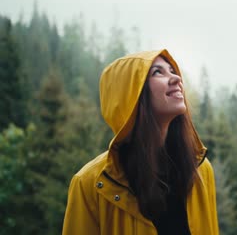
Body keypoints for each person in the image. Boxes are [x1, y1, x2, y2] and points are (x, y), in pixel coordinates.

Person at [63, 50, 219, 235]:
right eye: (158, 72)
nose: (176, 78)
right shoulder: (91, 184)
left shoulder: (200, 170)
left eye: (172, 70)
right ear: (128, 94)